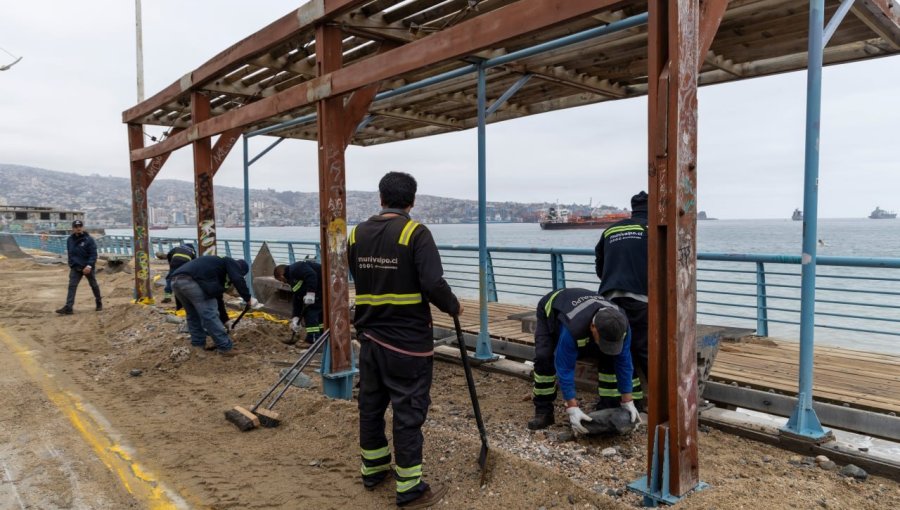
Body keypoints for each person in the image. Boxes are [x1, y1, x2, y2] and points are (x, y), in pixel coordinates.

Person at [348, 171, 461, 509]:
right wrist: (452, 305)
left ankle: (374, 470)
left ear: (381, 198)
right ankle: (409, 488)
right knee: (408, 412)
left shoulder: (357, 234)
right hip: (407, 343)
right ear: (412, 201)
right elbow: (432, 283)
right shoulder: (415, 232)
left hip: (369, 338)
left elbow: (362, 278)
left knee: (371, 406)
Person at [527, 288, 641, 433]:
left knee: (611, 356)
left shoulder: (621, 324)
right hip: (552, 307)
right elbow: (564, 368)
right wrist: (572, 407)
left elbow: (624, 363)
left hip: (586, 308)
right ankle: (544, 411)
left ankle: (609, 405)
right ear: (593, 327)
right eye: (603, 340)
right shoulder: (573, 328)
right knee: (544, 357)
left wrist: (627, 401)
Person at [594, 191, 648, 407]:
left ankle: (608, 401)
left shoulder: (611, 229)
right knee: (644, 349)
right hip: (641, 297)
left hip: (609, 298)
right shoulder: (651, 229)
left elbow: (600, 265)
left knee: (611, 344)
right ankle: (656, 400)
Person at [169, 255, 257, 356]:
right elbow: (237, 278)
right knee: (209, 315)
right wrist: (248, 298)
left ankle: (198, 344)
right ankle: (225, 347)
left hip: (176, 281)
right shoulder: (230, 262)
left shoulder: (215, 271)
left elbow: (218, 299)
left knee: (193, 315)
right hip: (192, 282)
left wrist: (226, 321)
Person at [56, 219, 102, 314]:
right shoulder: (70, 240)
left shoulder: (89, 240)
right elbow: (70, 253)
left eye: (80, 226)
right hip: (76, 268)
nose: (78, 228)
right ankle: (69, 307)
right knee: (72, 286)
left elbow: (93, 254)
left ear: (83, 227)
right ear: (73, 229)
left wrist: (89, 266)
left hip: (88, 268)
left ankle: (99, 302)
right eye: (76, 227)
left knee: (93, 285)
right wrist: (71, 264)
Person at [273, 260, 323, 344]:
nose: (282, 282)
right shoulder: (292, 280)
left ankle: (313, 340)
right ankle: (321, 337)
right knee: (319, 315)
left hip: (322, 288)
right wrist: (295, 317)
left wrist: (310, 293)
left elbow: (312, 275)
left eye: (281, 280)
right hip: (319, 290)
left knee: (310, 313)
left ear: (281, 275)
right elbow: (297, 298)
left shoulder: (296, 268)